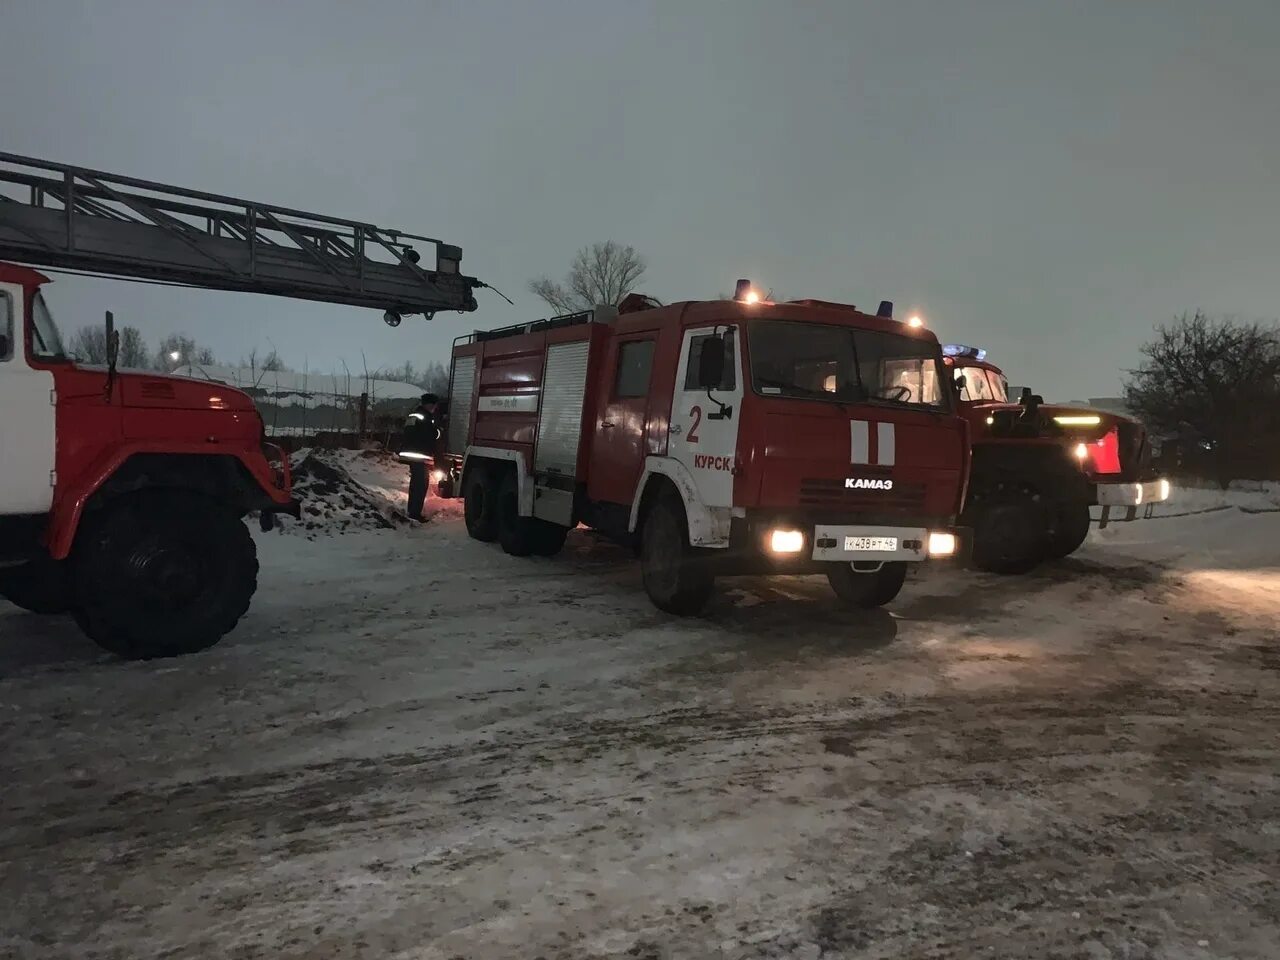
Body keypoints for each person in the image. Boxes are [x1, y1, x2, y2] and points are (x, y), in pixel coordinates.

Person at [400, 393, 442, 521]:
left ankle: (412, 511)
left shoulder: (414, 415)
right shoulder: (425, 417)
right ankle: (415, 514)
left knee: (415, 484)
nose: (435, 408)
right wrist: (439, 431)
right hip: (419, 456)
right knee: (420, 485)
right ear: (429, 404)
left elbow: (409, 433)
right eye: (434, 405)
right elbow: (430, 435)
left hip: (412, 455)